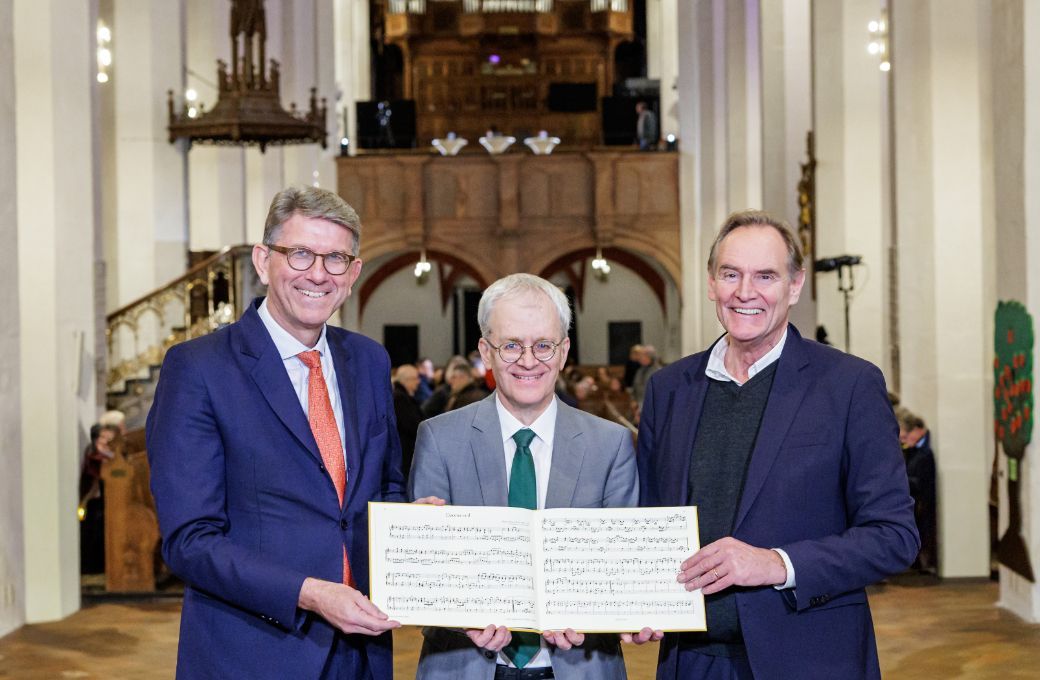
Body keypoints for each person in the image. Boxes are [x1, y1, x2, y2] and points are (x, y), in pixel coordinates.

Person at [147, 186, 439, 680]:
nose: (318, 273)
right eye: (301, 253)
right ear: (263, 261)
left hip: (362, 651)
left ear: (354, 273)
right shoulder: (198, 368)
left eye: (336, 259)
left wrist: (406, 526)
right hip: (253, 650)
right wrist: (311, 592)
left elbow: (381, 490)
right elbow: (190, 541)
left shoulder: (369, 360)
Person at [629, 210, 919, 679]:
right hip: (692, 661)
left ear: (795, 285)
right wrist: (637, 600)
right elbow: (649, 520)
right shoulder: (669, 388)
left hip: (811, 658)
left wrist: (775, 564)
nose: (745, 292)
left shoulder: (849, 385)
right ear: (710, 283)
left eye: (765, 276)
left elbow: (894, 537)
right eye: (730, 274)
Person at [409, 273, 638, 680]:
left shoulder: (611, 445)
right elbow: (429, 571)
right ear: (486, 351)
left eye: (543, 345)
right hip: (463, 665)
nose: (529, 360)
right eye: (511, 345)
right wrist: (456, 609)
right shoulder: (439, 438)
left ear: (564, 351)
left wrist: (606, 614)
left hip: (580, 666)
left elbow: (622, 572)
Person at [896, 406, 938, 573]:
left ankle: (922, 563)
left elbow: (920, 482)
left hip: (921, 503)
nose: (903, 440)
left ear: (918, 430)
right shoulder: (913, 450)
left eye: (906, 436)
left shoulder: (924, 453)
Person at [392, 364, 425, 479]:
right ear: (407, 380)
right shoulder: (400, 399)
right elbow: (413, 426)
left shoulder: (400, 396)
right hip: (405, 455)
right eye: (416, 378)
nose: (419, 382)